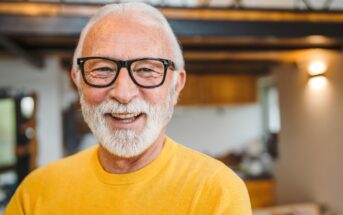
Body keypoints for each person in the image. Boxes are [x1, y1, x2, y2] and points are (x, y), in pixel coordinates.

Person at [4, 2, 251, 214]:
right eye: (102, 69)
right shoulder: (35, 192)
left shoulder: (216, 191)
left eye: (146, 70)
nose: (123, 93)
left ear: (176, 86)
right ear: (78, 81)